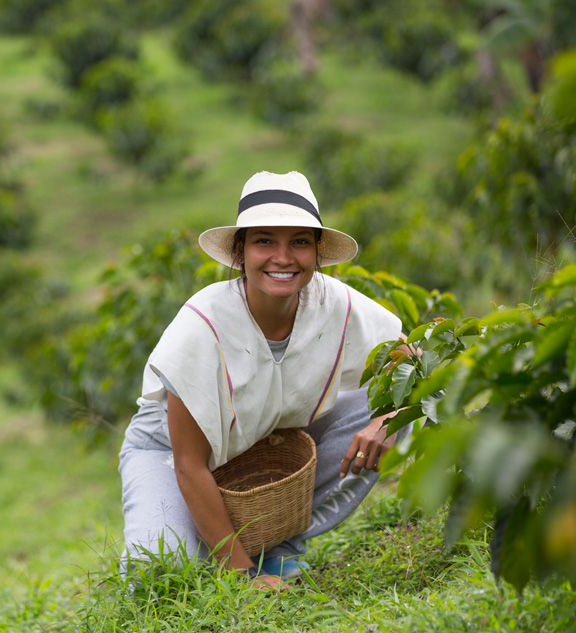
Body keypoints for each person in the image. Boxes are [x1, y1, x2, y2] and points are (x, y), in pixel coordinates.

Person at [118, 170, 408, 590]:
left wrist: (388, 420)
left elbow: (411, 362)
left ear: (317, 251)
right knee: (160, 578)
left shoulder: (334, 304)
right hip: (171, 452)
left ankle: (277, 546)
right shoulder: (204, 325)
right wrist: (244, 579)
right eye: (265, 240)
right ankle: (245, 559)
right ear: (240, 251)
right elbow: (189, 465)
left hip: (260, 437)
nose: (283, 257)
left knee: (386, 407)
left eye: (300, 241)